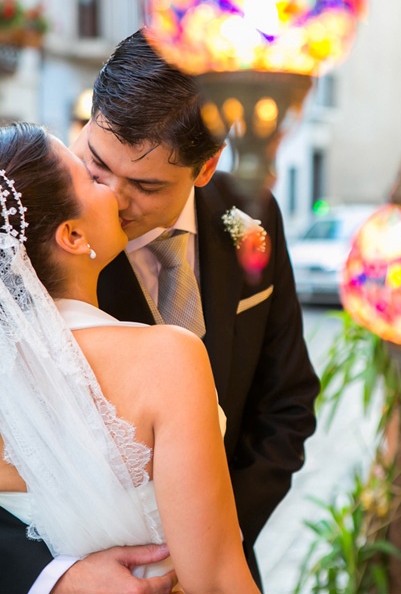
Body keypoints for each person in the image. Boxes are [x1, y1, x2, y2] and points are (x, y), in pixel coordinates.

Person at [0, 31, 319, 594]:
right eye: (97, 164)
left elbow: (286, 401)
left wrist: (205, 535)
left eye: (145, 185)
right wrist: (55, 579)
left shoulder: (253, 217)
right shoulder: (34, 257)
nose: (115, 197)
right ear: (90, 117)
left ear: (205, 167)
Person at [0, 123, 259, 593]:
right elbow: (218, 581)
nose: (116, 192)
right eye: (93, 177)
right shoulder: (169, 359)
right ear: (74, 236)